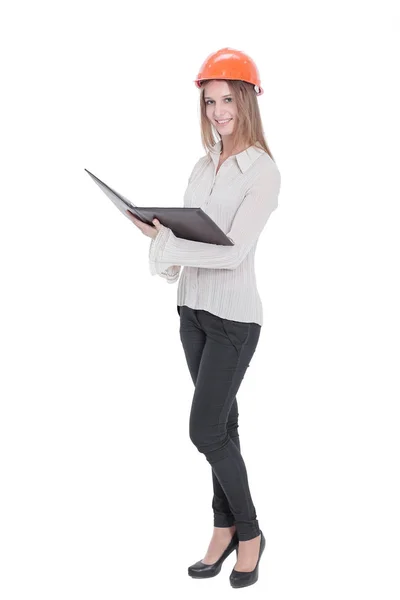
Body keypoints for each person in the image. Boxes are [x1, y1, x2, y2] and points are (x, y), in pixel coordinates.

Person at [127, 47, 281, 588]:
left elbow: (233, 251)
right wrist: (165, 237)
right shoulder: (202, 164)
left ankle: (251, 533)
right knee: (225, 427)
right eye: (209, 100)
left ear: (247, 100)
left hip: (234, 320)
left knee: (205, 430)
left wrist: (165, 243)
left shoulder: (262, 171)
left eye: (227, 99)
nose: (217, 111)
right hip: (191, 311)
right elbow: (196, 239)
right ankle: (222, 527)